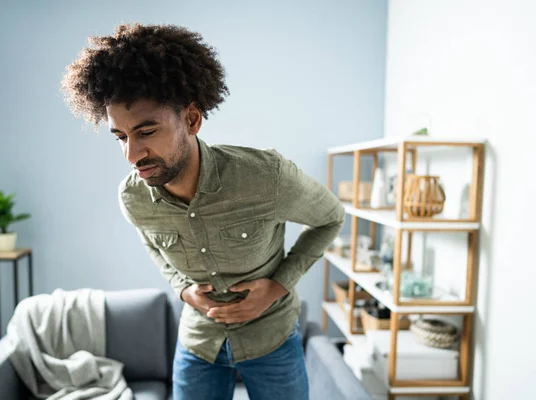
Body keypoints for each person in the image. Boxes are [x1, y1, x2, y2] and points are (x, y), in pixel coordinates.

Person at [61, 23, 345, 400]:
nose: (131, 155)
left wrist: (278, 286)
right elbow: (153, 247)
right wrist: (183, 290)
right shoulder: (133, 197)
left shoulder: (266, 177)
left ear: (192, 119)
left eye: (146, 132)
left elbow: (330, 217)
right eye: (121, 137)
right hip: (198, 344)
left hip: (272, 339)